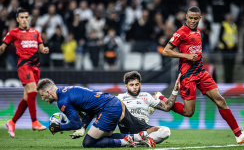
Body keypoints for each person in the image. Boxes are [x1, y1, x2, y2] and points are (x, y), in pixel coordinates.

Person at [156, 6, 244, 144]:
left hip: (201, 72)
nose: (192, 20)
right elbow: (166, 51)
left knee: (220, 100)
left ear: (200, 18)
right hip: (188, 76)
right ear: (186, 17)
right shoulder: (181, 32)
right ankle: (160, 99)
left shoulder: (198, 31)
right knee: (188, 112)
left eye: (195, 18)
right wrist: (186, 55)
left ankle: (238, 134)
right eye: (190, 18)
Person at [36, 79, 167, 148]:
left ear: (49, 92)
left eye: (42, 95)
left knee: (88, 143)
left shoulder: (62, 101)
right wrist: (83, 127)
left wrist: (57, 128)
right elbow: (90, 110)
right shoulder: (67, 90)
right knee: (103, 137)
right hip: (112, 104)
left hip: (109, 108)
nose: (42, 99)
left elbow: (75, 123)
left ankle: (128, 140)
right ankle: (139, 137)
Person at [0, 8, 49, 138]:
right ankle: (34, 122)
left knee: (27, 98)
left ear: (29, 18)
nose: (24, 20)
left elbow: (41, 48)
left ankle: (12, 122)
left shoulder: (36, 32)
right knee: (33, 90)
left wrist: (44, 50)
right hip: (24, 66)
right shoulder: (13, 33)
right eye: (21, 17)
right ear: (17, 20)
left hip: (36, 66)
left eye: (26, 17)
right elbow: (3, 48)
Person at [117, 71, 181, 144]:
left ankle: (138, 140)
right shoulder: (120, 98)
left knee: (166, 131)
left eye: (137, 84)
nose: (134, 87)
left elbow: (167, 107)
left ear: (140, 85)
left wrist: (175, 90)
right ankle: (138, 139)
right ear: (126, 86)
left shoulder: (146, 96)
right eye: (131, 85)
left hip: (144, 129)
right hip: (128, 130)